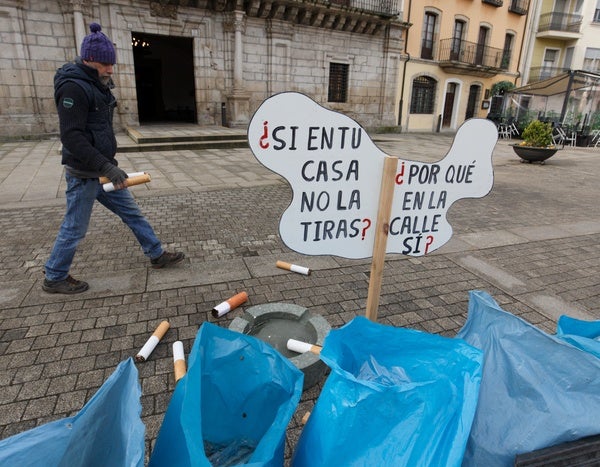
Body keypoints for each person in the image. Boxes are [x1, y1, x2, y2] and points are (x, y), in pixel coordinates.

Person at [43, 22, 184, 294]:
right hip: (85, 175)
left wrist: (110, 165)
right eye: (104, 64)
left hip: (104, 171)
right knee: (75, 228)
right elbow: (72, 137)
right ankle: (54, 276)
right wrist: (105, 164)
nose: (110, 69)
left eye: (111, 64)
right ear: (88, 59)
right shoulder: (73, 88)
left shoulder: (99, 84)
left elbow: (98, 129)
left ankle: (156, 255)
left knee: (133, 214)